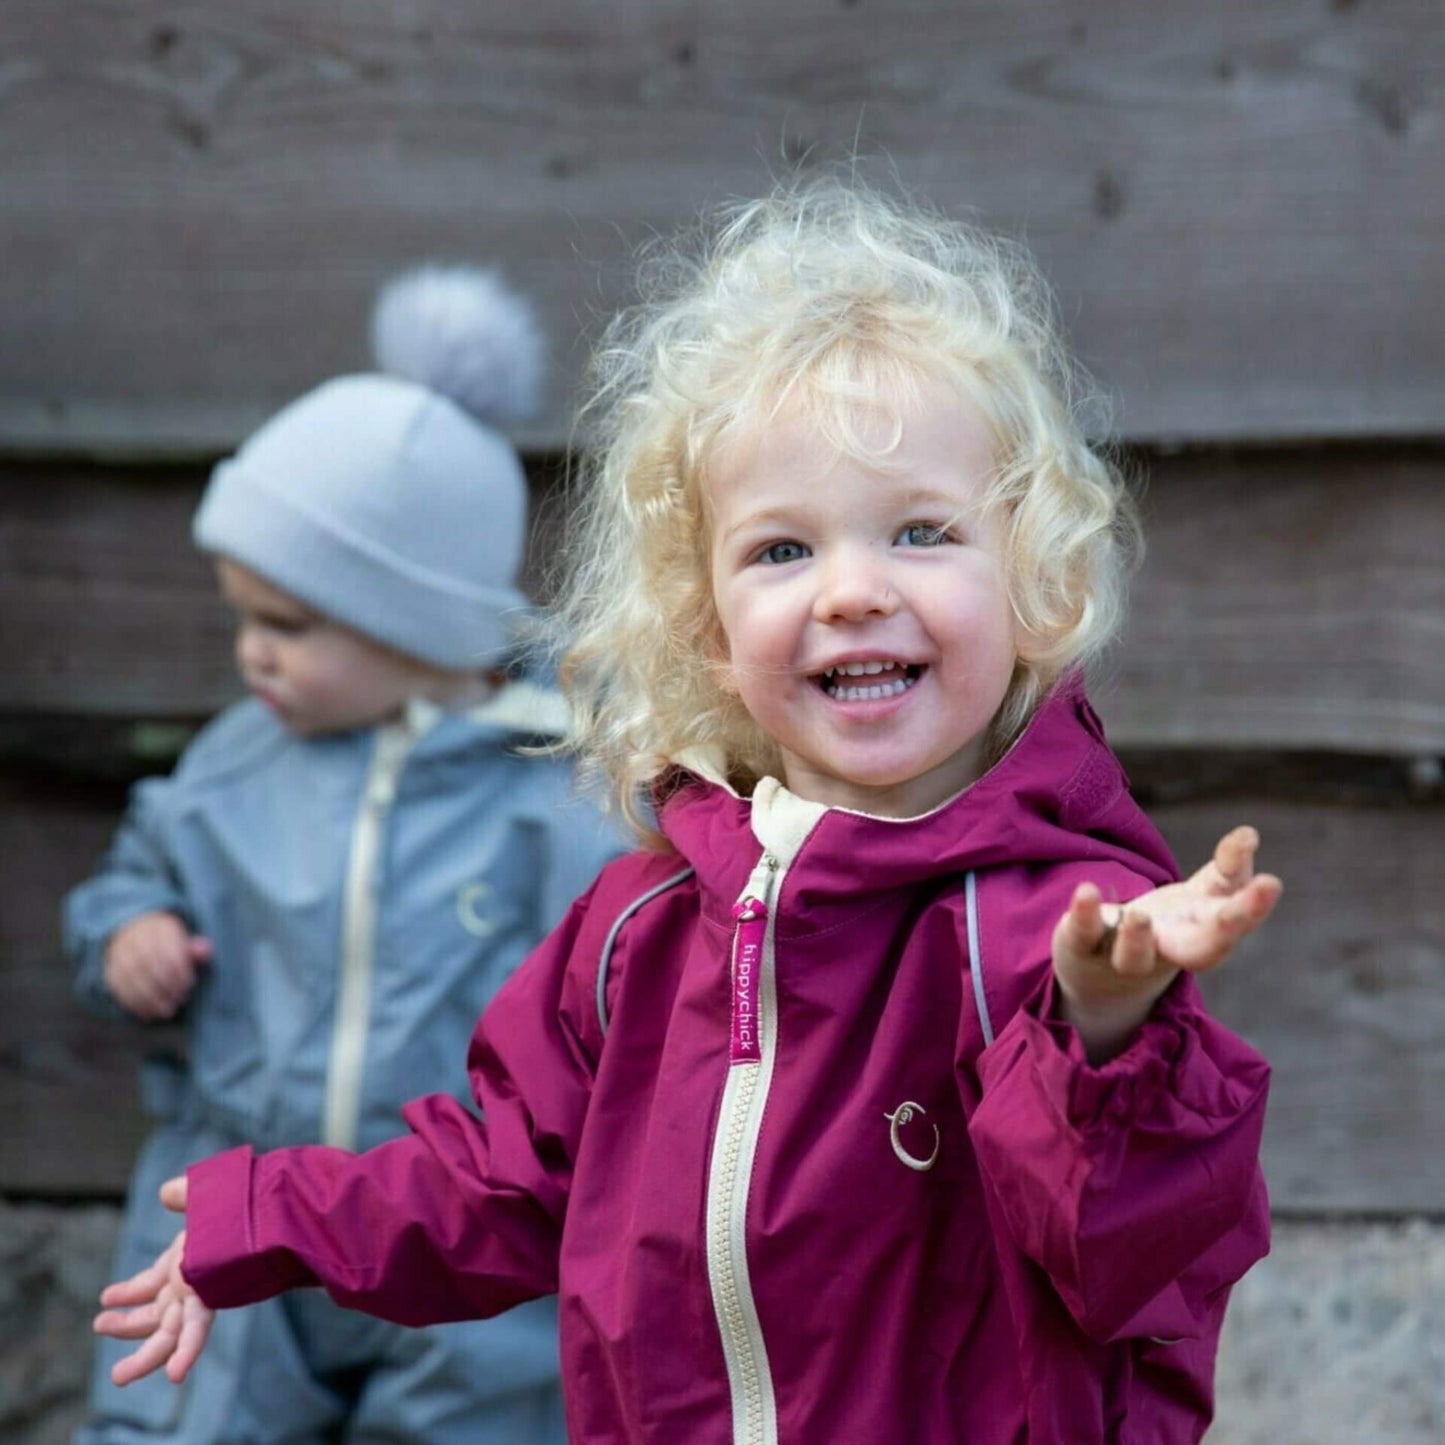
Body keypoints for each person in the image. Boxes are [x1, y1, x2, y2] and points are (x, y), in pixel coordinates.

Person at [92, 180, 1282, 1443]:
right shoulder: (639, 926)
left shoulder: (1050, 928)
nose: (850, 591)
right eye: (782, 550)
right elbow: (499, 1178)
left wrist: (1103, 1030)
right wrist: (264, 1215)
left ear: (1033, 587)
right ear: (705, 630)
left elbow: (1130, 1259)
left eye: (921, 531)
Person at [66, 265, 620, 1445]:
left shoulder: (555, 798)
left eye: (290, 623)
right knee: (179, 1413)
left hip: (457, 1219)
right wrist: (127, 932)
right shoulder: (233, 763)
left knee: (476, 1419)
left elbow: (613, 988)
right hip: (229, 1194)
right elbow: (140, 866)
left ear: (415, 624)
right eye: (243, 618)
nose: (252, 655)